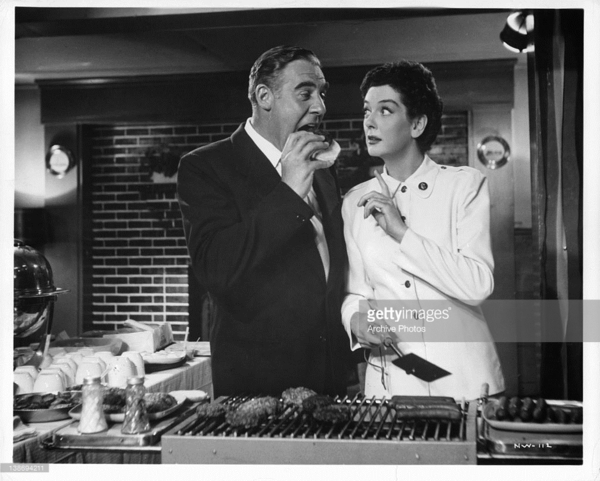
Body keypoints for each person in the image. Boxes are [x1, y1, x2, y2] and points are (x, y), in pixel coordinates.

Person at [177, 45, 352, 397]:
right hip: (258, 389)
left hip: (332, 384)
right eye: (305, 93)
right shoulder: (206, 167)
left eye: (321, 93)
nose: (320, 107)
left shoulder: (322, 170)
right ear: (264, 96)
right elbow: (217, 272)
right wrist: (289, 190)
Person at [341, 61, 505, 400]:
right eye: (367, 110)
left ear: (417, 124)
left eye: (385, 110)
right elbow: (356, 291)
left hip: (465, 382)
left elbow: (477, 284)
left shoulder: (464, 186)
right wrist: (355, 320)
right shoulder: (354, 201)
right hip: (393, 381)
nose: (369, 121)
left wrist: (402, 234)